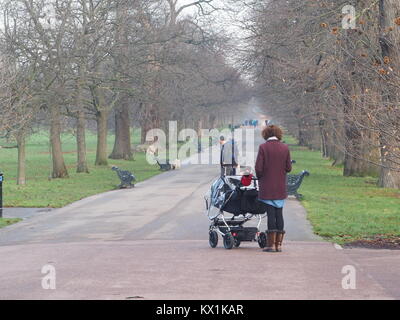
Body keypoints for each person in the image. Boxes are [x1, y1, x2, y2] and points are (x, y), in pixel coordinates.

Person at [255, 125, 292, 252]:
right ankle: (279, 245)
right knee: (279, 214)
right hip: (280, 186)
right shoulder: (285, 148)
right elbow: (288, 168)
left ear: (266, 134)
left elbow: (258, 168)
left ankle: (270, 245)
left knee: (270, 214)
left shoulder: (263, 147)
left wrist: (260, 177)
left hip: (267, 186)